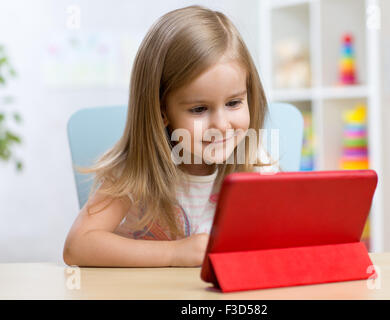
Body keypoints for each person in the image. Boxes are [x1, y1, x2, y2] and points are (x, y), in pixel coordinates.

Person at [63, 5, 278, 268]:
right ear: (161, 110)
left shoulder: (257, 164)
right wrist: (175, 254)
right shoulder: (134, 172)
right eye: (199, 109)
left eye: (234, 103)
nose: (222, 126)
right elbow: (77, 246)